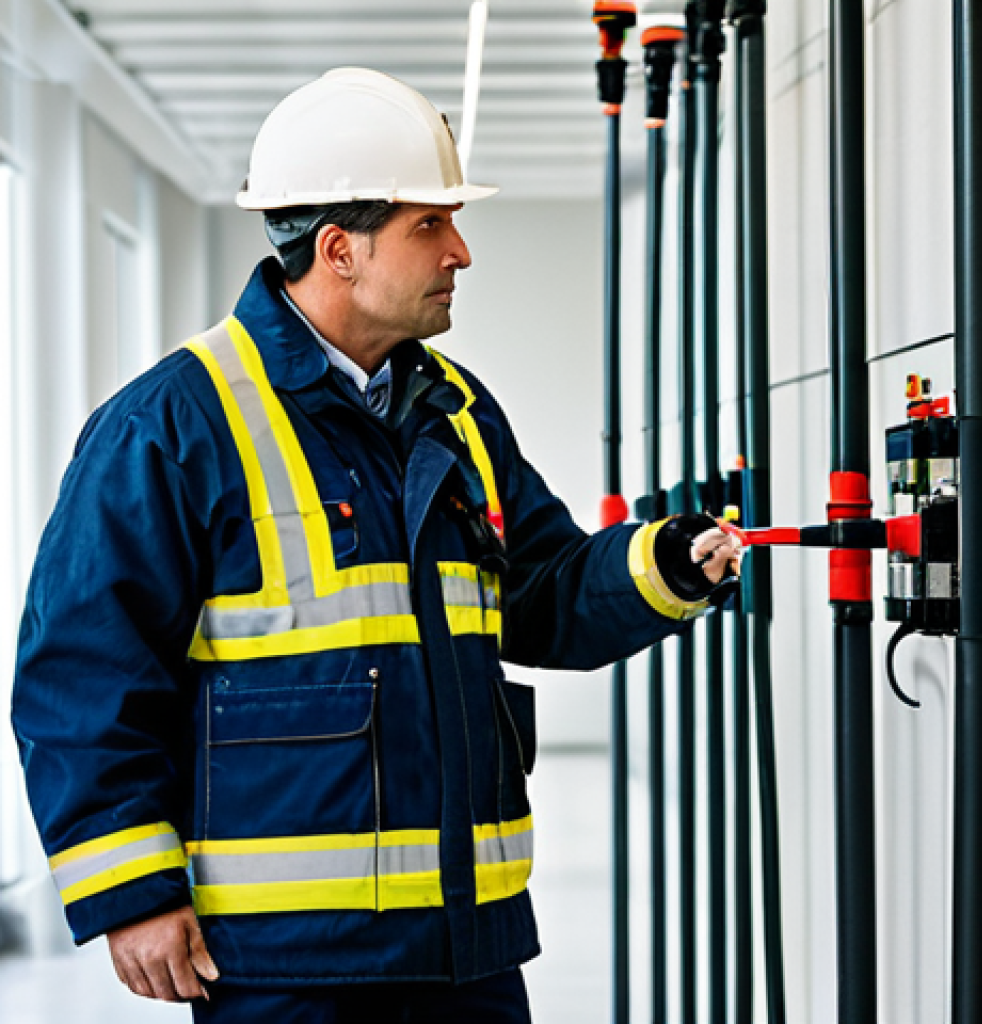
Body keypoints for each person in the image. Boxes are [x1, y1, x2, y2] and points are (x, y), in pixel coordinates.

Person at [11, 68, 742, 1023]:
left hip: (466, 946)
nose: (461, 252)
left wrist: (664, 567)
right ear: (339, 249)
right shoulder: (172, 423)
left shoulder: (459, 414)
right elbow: (81, 669)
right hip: (287, 965)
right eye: (430, 225)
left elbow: (544, 594)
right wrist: (132, 890)